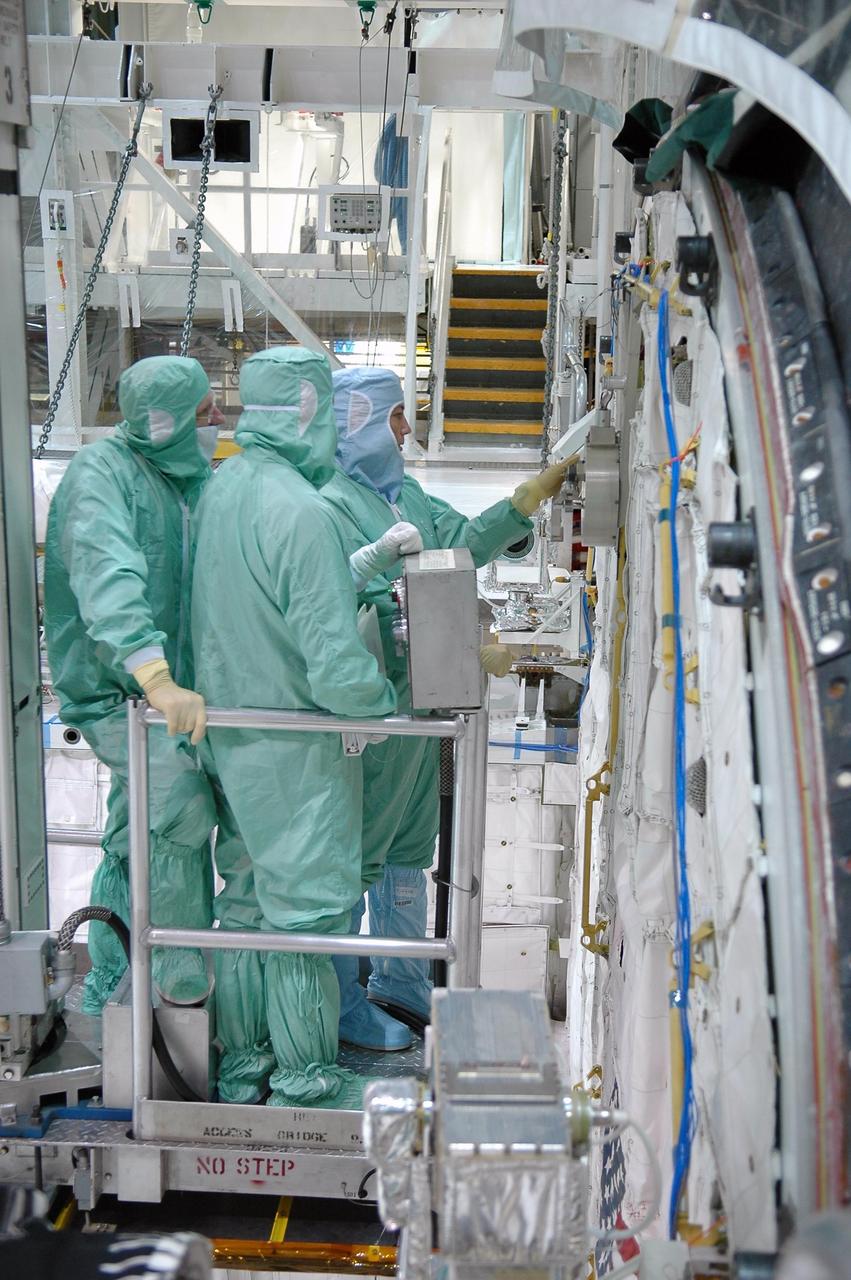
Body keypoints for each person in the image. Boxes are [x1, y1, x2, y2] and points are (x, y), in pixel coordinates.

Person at [322, 366, 570, 1050]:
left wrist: (522, 505)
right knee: (353, 861)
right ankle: (341, 1004)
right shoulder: (329, 504)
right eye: (397, 416)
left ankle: (403, 983)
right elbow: (342, 612)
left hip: (417, 712)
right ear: (359, 422)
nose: (406, 429)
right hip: (365, 714)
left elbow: (462, 543)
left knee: (407, 849)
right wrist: (456, 655)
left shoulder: (408, 496)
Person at [191, 346, 401, 1109]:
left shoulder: (224, 490)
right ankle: (307, 1084)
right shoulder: (305, 513)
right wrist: (385, 704)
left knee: (244, 906)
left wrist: (360, 567)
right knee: (305, 919)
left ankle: (243, 1066)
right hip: (296, 753)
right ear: (312, 409)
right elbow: (335, 670)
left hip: (232, 736)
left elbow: (247, 606)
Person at [43, 355, 224, 1013]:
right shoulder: (101, 476)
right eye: (205, 413)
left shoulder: (185, 477)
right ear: (166, 421)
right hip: (114, 691)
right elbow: (108, 577)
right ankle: (180, 986)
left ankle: (105, 985)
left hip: (163, 691)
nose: (217, 421)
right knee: (179, 808)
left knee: (133, 830)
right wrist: (155, 676)